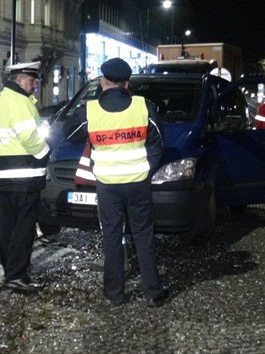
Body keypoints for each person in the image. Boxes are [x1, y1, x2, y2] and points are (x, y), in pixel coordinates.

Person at [63, 57, 169, 307]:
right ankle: (153, 292)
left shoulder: (89, 112)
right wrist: (146, 168)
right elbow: (158, 144)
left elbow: (69, 134)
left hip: (108, 185)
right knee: (144, 235)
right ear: (127, 84)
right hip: (138, 182)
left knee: (111, 236)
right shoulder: (144, 107)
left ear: (103, 82)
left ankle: (115, 294)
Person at [0, 61, 50, 294]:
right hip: (25, 175)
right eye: (32, 81)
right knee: (23, 227)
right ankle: (17, 275)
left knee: (8, 226)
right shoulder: (19, 102)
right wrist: (44, 153)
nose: (34, 86)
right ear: (19, 79)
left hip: (4, 174)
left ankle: (9, 268)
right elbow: (29, 135)